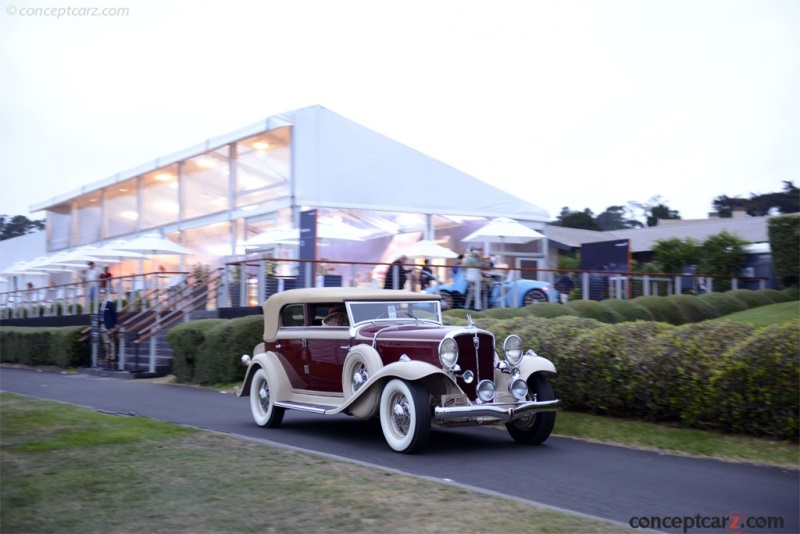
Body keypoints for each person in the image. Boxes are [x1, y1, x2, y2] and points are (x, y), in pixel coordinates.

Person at [99, 289, 118, 364]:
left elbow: (114, 314)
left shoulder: (110, 303)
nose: (101, 295)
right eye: (100, 294)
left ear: (106, 295)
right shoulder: (101, 304)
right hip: (102, 324)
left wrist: (115, 324)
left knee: (111, 341)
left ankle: (112, 356)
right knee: (105, 341)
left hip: (109, 325)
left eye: (102, 294)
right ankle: (107, 356)